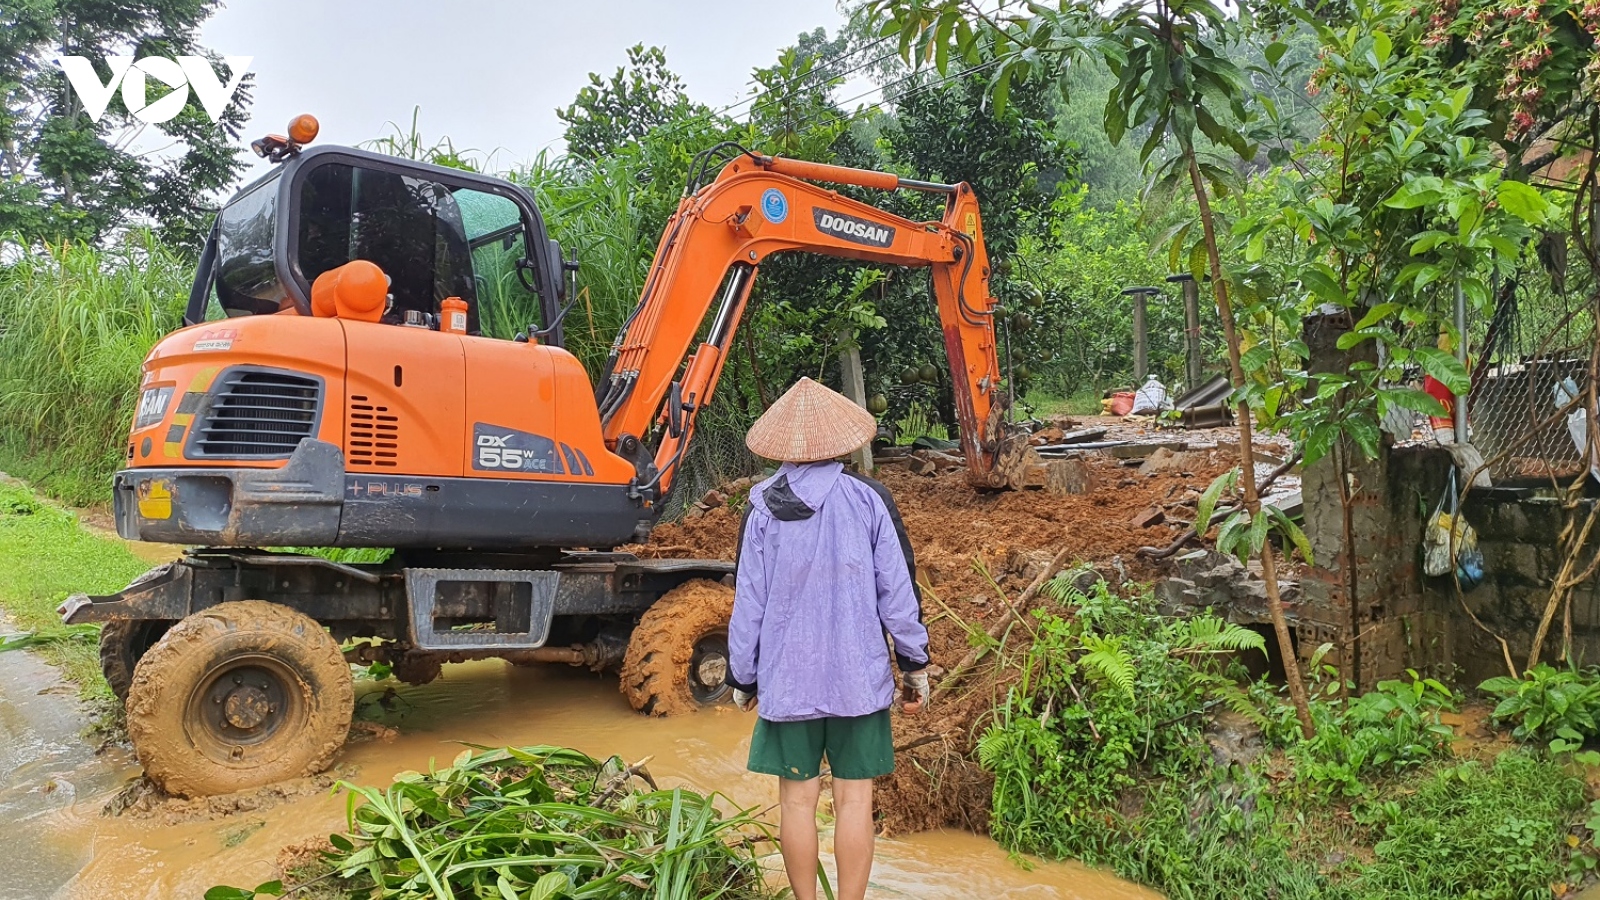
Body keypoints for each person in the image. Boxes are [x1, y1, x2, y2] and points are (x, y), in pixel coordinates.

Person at [726, 376, 932, 900]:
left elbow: (749, 601)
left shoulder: (760, 510)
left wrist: (742, 677)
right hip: (857, 680)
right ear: (843, 439)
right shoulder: (869, 499)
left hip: (787, 681)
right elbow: (898, 592)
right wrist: (914, 663)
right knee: (853, 800)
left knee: (797, 802)